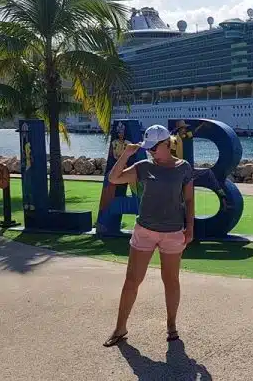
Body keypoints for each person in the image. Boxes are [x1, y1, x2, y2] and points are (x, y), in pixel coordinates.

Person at [102, 124, 195, 347]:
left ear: (167, 144)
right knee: (132, 280)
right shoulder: (143, 166)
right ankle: (120, 327)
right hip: (144, 230)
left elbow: (189, 199)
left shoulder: (184, 167)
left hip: (173, 232)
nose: (151, 151)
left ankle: (171, 325)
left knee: (171, 281)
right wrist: (126, 153)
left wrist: (190, 228)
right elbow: (114, 179)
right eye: (149, 148)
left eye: (154, 147)